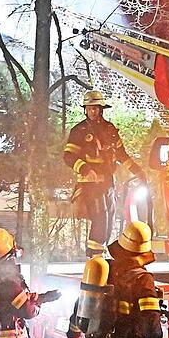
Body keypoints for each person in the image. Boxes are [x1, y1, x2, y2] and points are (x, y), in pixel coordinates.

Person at [64, 89, 146, 257]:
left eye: (95, 108)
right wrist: (86, 169)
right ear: (85, 109)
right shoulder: (79, 131)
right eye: (89, 108)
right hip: (90, 184)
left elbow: (121, 155)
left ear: (101, 109)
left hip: (108, 181)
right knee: (100, 217)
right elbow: (68, 156)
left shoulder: (109, 130)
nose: (92, 111)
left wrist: (137, 170)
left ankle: (101, 253)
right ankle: (95, 256)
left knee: (110, 217)